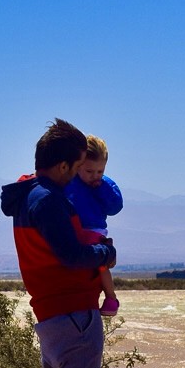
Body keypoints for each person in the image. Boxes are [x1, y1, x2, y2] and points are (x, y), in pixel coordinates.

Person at [0, 118, 117, 368]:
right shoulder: (49, 201)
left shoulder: (28, 196)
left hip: (48, 309)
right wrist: (105, 252)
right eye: (79, 165)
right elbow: (71, 255)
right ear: (65, 166)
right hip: (71, 311)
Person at [65, 134, 123, 316]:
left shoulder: (105, 185)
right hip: (74, 230)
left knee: (102, 265)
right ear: (78, 165)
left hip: (96, 230)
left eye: (100, 172)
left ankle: (111, 298)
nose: (95, 176)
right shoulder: (69, 181)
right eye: (89, 172)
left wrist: (102, 187)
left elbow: (115, 207)